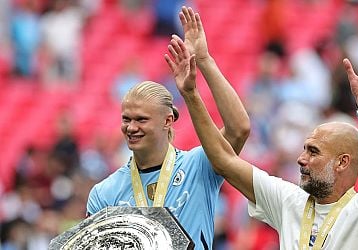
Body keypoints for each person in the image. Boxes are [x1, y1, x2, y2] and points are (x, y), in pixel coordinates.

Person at [166, 31, 358, 249]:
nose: (301, 159)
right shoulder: (289, 201)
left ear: (342, 162)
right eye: (304, 149)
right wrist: (195, 84)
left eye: (313, 152)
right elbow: (223, 160)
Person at [86, 6, 250, 250]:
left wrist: (202, 62)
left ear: (167, 121)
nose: (131, 128)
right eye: (126, 119)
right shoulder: (103, 193)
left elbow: (239, 129)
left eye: (141, 120)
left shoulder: (199, 166)